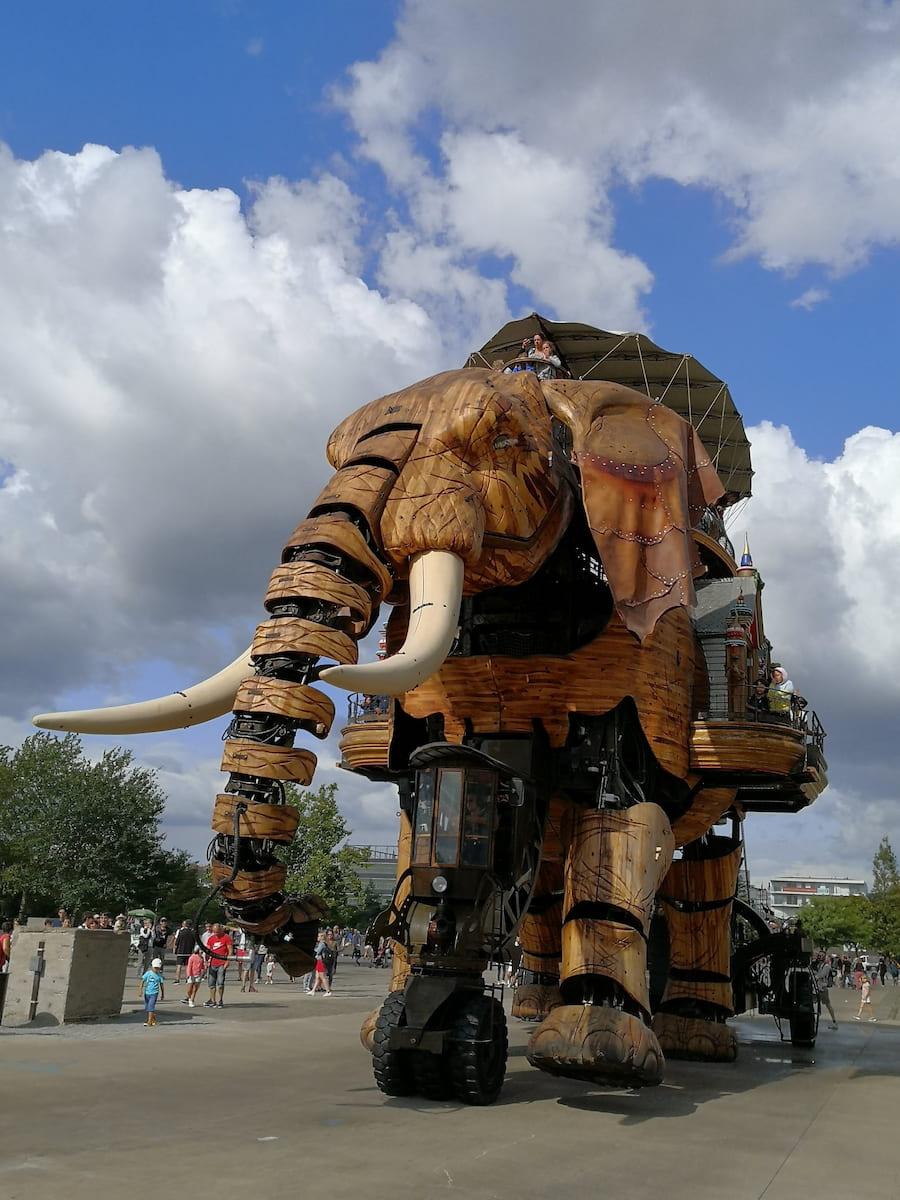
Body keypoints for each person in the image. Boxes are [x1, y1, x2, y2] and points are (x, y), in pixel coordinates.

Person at [203, 923, 233, 1009]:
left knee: (220, 982)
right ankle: (212, 1000)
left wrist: (228, 961)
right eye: (214, 932)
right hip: (212, 963)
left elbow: (230, 950)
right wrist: (206, 960)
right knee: (211, 983)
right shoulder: (211, 938)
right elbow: (208, 950)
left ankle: (220, 1000)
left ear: (220, 930)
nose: (215, 934)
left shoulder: (226, 937)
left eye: (217, 932)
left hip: (221, 963)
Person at [813, 953, 838, 1028]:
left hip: (822, 988)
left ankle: (834, 1021)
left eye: (822, 956)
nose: (820, 957)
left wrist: (814, 976)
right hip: (816, 987)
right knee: (811, 1003)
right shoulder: (818, 965)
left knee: (828, 1005)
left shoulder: (826, 966)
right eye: (819, 956)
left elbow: (821, 975)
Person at [140, 957, 165, 1027]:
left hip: (154, 993)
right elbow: (142, 981)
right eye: (155, 968)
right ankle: (153, 1019)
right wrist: (140, 990)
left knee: (150, 1007)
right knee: (147, 1007)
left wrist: (162, 994)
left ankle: (149, 1022)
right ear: (152, 967)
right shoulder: (148, 974)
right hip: (147, 993)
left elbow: (162, 985)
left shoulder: (159, 976)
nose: (156, 970)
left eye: (158, 968)